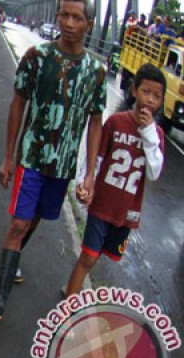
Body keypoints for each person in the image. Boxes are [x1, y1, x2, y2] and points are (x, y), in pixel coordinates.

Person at [0, 0, 107, 323]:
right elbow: (17, 103)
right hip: (32, 158)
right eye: (63, 14)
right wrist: (9, 156)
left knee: (34, 218)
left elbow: (95, 123)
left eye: (76, 17)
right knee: (19, 221)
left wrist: (89, 174)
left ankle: (13, 258)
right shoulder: (37, 57)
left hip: (61, 166)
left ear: (89, 25)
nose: (68, 22)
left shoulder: (96, 72)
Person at [64, 63, 165, 296]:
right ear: (134, 90)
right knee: (88, 256)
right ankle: (67, 312)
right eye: (145, 92)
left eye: (156, 96)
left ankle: (72, 287)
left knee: (95, 255)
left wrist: (148, 133)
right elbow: (97, 157)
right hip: (102, 205)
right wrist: (85, 183)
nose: (150, 99)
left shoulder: (157, 135)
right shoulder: (117, 122)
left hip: (126, 211)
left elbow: (154, 173)